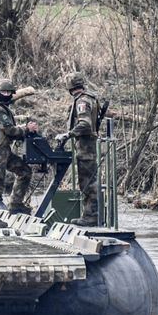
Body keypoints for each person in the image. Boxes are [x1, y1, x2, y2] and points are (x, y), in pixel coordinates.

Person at [0, 79, 38, 228]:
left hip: (4, 150)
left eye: (8, 92)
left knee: (24, 171)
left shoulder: (1, 107)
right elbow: (10, 130)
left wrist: (22, 128)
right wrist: (26, 129)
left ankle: (16, 203)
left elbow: (9, 128)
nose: (6, 94)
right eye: (3, 92)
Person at [55, 72, 101, 227]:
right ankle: (89, 214)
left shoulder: (82, 101)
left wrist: (68, 134)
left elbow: (85, 124)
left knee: (88, 182)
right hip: (85, 146)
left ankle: (91, 216)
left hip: (86, 147)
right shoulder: (87, 98)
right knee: (87, 182)